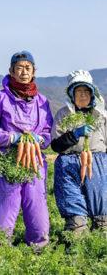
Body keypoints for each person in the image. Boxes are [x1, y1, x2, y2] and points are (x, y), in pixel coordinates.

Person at [0, 51, 53, 247]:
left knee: (37, 209)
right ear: (11, 71)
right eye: (19, 68)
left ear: (34, 71)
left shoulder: (42, 102)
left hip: (35, 163)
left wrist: (38, 139)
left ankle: (39, 247)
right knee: (4, 210)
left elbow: (47, 134)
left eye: (27, 68)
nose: (23, 72)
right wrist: (11, 138)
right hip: (7, 163)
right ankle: (0, 248)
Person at [51, 70, 107, 232]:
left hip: (98, 164)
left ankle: (100, 243)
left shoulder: (101, 116)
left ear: (92, 94)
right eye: (78, 92)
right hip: (68, 165)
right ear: (71, 95)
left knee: (102, 212)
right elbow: (56, 146)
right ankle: (76, 240)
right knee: (74, 213)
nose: (82, 95)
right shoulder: (63, 114)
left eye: (86, 91)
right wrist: (74, 134)